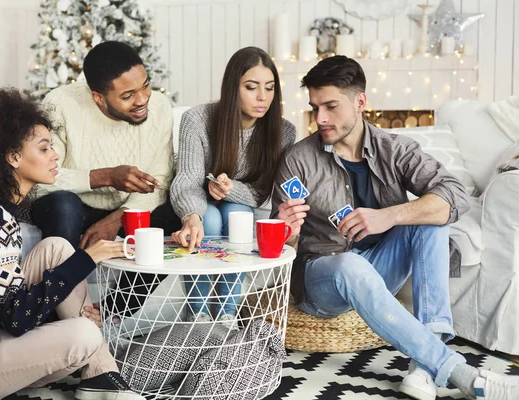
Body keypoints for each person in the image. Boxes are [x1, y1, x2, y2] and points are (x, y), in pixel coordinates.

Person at [273, 55, 519, 400]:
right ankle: (463, 375)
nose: (320, 119)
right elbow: (282, 249)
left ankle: (422, 366)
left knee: (430, 220)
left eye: (331, 106)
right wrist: (286, 230)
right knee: (350, 263)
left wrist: (388, 216)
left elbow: (454, 195)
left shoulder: (395, 148)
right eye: (315, 107)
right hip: (323, 279)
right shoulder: (298, 159)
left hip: (381, 267)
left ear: (360, 102)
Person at [0, 88, 144, 400]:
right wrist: (87, 259)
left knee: (57, 248)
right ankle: (101, 376)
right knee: (83, 334)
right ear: (13, 157)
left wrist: (74, 274)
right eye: (44, 148)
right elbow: (18, 318)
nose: (55, 155)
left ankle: (101, 376)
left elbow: (7, 306)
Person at [170, 47, 296, 326]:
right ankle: (198, 312)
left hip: (242, 205)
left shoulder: (284, 131)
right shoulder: (197, 119)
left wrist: (231, 189)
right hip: (197, 204)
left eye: (270, 88)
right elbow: (187, 179)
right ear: (233, 87)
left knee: (238, 214)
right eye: (251, 87)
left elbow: (264, 192)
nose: (262, 97)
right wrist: (191, 216)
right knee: (211, 218)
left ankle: (227, 310)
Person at [31, 40, 177, 249]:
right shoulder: (61, 104)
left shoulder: (160, 106)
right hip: (76, 205)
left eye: (145, 85)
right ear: (98, 98)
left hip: (129, 208)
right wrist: (105, 176)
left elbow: (160, 180)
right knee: (62, 205)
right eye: (128, 96)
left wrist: (119, 218)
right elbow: (40, 179)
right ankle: (64, 280)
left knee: (176, 210)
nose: (143, 100)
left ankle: (128, 285)